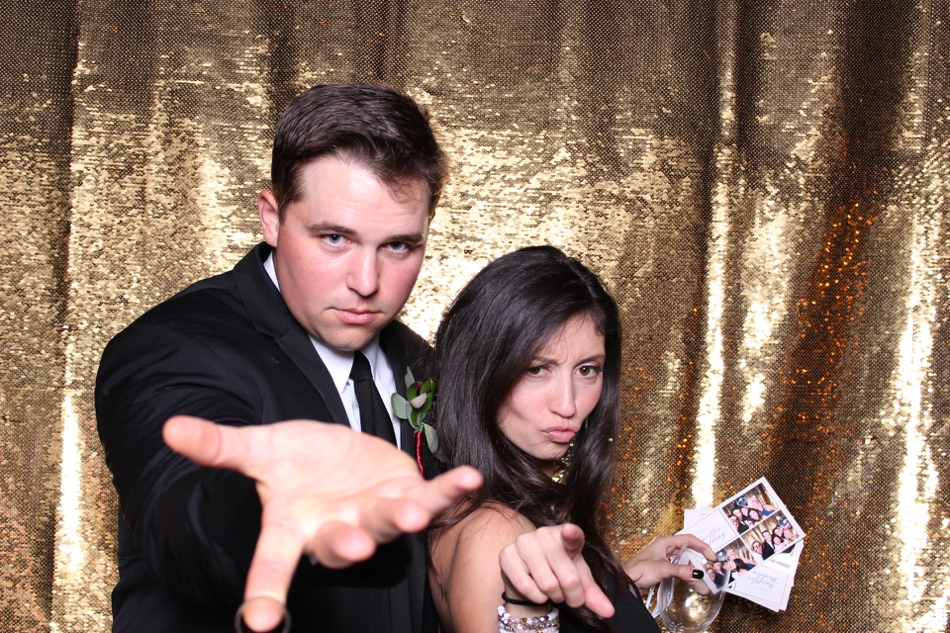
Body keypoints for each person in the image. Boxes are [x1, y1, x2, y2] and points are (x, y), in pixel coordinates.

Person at [96, 83, 482, 633]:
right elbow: (180, 514)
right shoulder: (171, 346)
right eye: (335, 238)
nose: (366, 282)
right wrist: (264, 506)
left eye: (398, 245)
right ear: (272, 218)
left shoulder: (420, 361)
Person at [425, 247, 714, 633]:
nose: (568, 404)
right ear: (482, 372)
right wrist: (526, 603)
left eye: (587, 370)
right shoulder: (493, 532)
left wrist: (618, 588)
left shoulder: (509, 509)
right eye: (537, 369)